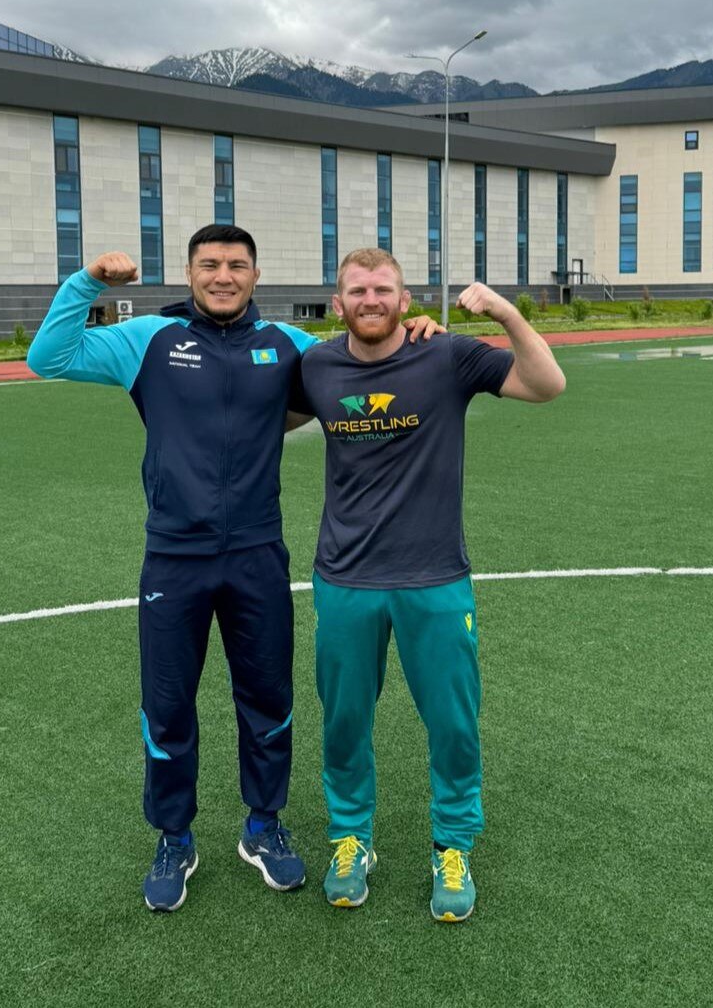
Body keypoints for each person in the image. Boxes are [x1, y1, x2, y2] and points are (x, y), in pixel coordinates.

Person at [27, 225, 437, 913]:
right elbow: (50, 355)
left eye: (236, 265)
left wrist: (411, 326)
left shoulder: (286, 345)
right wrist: (90, 279)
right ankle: (173, 836)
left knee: (267, 701)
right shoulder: (147, 340)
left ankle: (263, 826)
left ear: (255, 273)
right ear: (189, 272)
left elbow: (368, 360)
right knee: (166, 707)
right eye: (209, 264)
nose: (223, 276)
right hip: (172, 558)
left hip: (256, 555)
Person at [298, 247, 566, 920]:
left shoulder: (447, 357)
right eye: (356, 290)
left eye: (381, 288)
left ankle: (452, 846)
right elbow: (255, 416)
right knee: (344, 722)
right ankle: (350, 838)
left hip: (435, 576)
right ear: (337, 304)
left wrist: (504, 311)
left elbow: (546, 385)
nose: (369, 299)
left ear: (403, 298)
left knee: (451, 723)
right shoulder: (316, 366)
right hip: (345, 579)